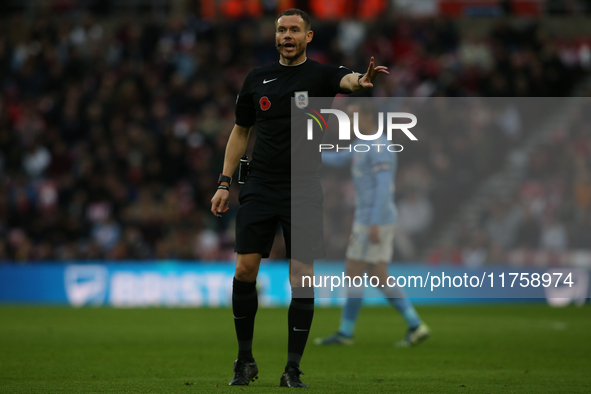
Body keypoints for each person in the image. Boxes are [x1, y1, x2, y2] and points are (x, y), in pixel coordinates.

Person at [209, 8, 389, 388]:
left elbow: (349, 80)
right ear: (275, 37)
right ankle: (244, 361)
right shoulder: (257, 79)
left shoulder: (320, 75)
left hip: (303, 187)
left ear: (308, 36)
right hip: (259, 184)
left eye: (294, 30)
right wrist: (225, 182)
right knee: (244, 271)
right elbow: (241, 131)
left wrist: (363, 79)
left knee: (302, 278)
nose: (286, 35)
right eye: (281, 30)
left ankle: (292, 369)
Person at [315, 101, 430, 348]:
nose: (350, 123)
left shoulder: (379, 146)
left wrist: (375, 222)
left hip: (372, 220)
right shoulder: (362, 144)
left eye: (353, 118)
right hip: (370, 219)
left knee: (353, 272)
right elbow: (338, 158)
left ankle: (346, 333)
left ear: (369, 117)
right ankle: (415, 325)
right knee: (378, 275)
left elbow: (383, 187)